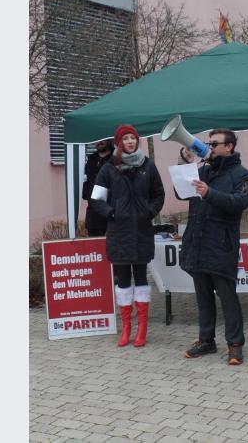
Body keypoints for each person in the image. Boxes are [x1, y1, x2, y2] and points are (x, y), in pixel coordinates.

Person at [179, 129, 248, 365]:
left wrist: (209, 193)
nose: (210, 147)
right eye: (208, 143)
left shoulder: (242, 175)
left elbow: (238, 203)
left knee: (227, 297)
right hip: (198, 242)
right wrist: (183, 164)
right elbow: (181, 193)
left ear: (229, 146)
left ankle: (235, 344)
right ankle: (206, 340)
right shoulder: (203, 171)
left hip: (221, 245)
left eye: (215, 143)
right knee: (203, 297)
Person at [90, 124, 165, 347]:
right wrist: (111, 213)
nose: (130, 142)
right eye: (126, 139)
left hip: (141, 230)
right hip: (119, 232)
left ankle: (142, 330)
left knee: (141, 279)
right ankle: (126, 329)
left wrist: (149, 212)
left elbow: (158, 195)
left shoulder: (148, 166)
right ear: (119, 142)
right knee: (123, 281)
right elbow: (96, 200)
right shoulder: (108, 168)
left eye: (133, 138)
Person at [82, 138, 114, 236]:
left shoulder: (117, 158)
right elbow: (86, 181)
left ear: (109, 140)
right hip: (94, 215)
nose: (99, 142)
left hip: (112, 212)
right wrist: (86, 195)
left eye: (103, 139)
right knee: (95, 247)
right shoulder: (91, 159)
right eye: (97, 140)